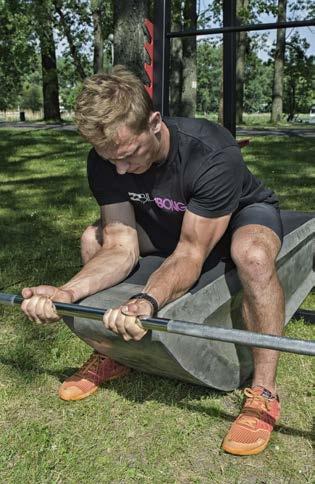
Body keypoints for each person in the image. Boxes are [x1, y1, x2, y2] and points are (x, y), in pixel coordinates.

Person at [21, 65, 284, 456]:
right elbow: (120, 246)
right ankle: (111, 352)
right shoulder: (107, 159)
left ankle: (264, 390)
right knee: (93, 238)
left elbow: (191, 252)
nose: (121, 169)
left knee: (255, 256)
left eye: (128, 155)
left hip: (235, 220)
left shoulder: (211, 153)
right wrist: (67, 292)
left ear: (154, 123)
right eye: (110, 160)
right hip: (169, 222)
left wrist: (147, 301)